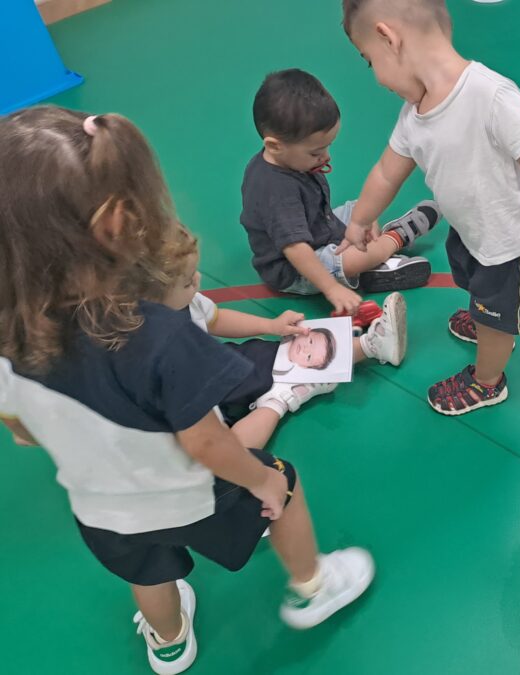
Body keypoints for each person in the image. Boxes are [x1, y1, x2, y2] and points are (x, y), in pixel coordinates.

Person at [0, 107, 375, 674]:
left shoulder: (12, 336)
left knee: (148, 571)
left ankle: (169, 642)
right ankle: (312, 586)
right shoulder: (158, 334)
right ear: (116, 224)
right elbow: (206, 445)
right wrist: (263, 480)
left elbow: (23, 428)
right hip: (190, 494)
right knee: (286, 488)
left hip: (99, 509)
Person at [339, 0, 520, 414]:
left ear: (389, 39)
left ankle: (488, 381)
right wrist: (360, 220)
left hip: (510, 242)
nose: (375, 77)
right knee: (476, 288)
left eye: (369, 61)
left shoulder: (489, 94)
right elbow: (386, 173)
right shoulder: (415, 114)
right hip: (473, 230)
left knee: (496, 311)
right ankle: (485, 322)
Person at [160, 240, 406, 451]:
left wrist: (271, 325)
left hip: (209, 368)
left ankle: (372, 345)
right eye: (188, 282)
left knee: (285, 355)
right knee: (221, 450)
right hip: (184, 410)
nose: (198, 279)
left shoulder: (182, 301)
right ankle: (280, 399)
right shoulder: (156, 351)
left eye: (195, 271)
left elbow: (215, 318)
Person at [241, 68, 440, 314]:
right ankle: (394, 239)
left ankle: (370, 262)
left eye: (327, 147)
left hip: (321, 227)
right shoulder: (275, 189)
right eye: (315, 153)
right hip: (296, 268)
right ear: (275, 146)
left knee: (363, 208)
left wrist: (359, 221)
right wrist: (330, 289)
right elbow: (295, 249)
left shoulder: (288, 159)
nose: (325, 156)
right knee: (352, 258)